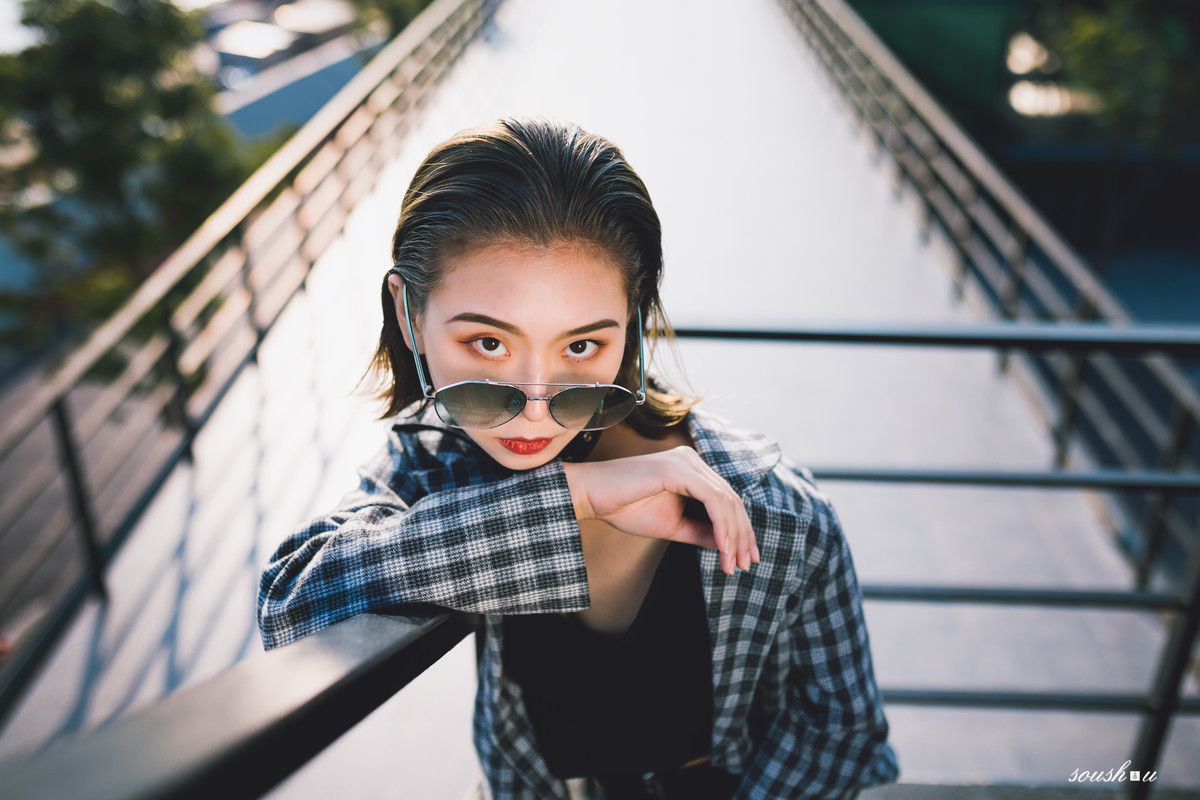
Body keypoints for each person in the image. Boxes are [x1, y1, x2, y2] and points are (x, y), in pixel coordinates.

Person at [258, 116, 899, 800]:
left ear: (634, 324)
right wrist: (576, 496)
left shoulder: (772, 512)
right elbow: (294, 605)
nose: (536, 405)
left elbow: (843, 732)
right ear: (411, 313)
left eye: (582, 347)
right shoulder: (436, 465)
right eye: (489, 345)